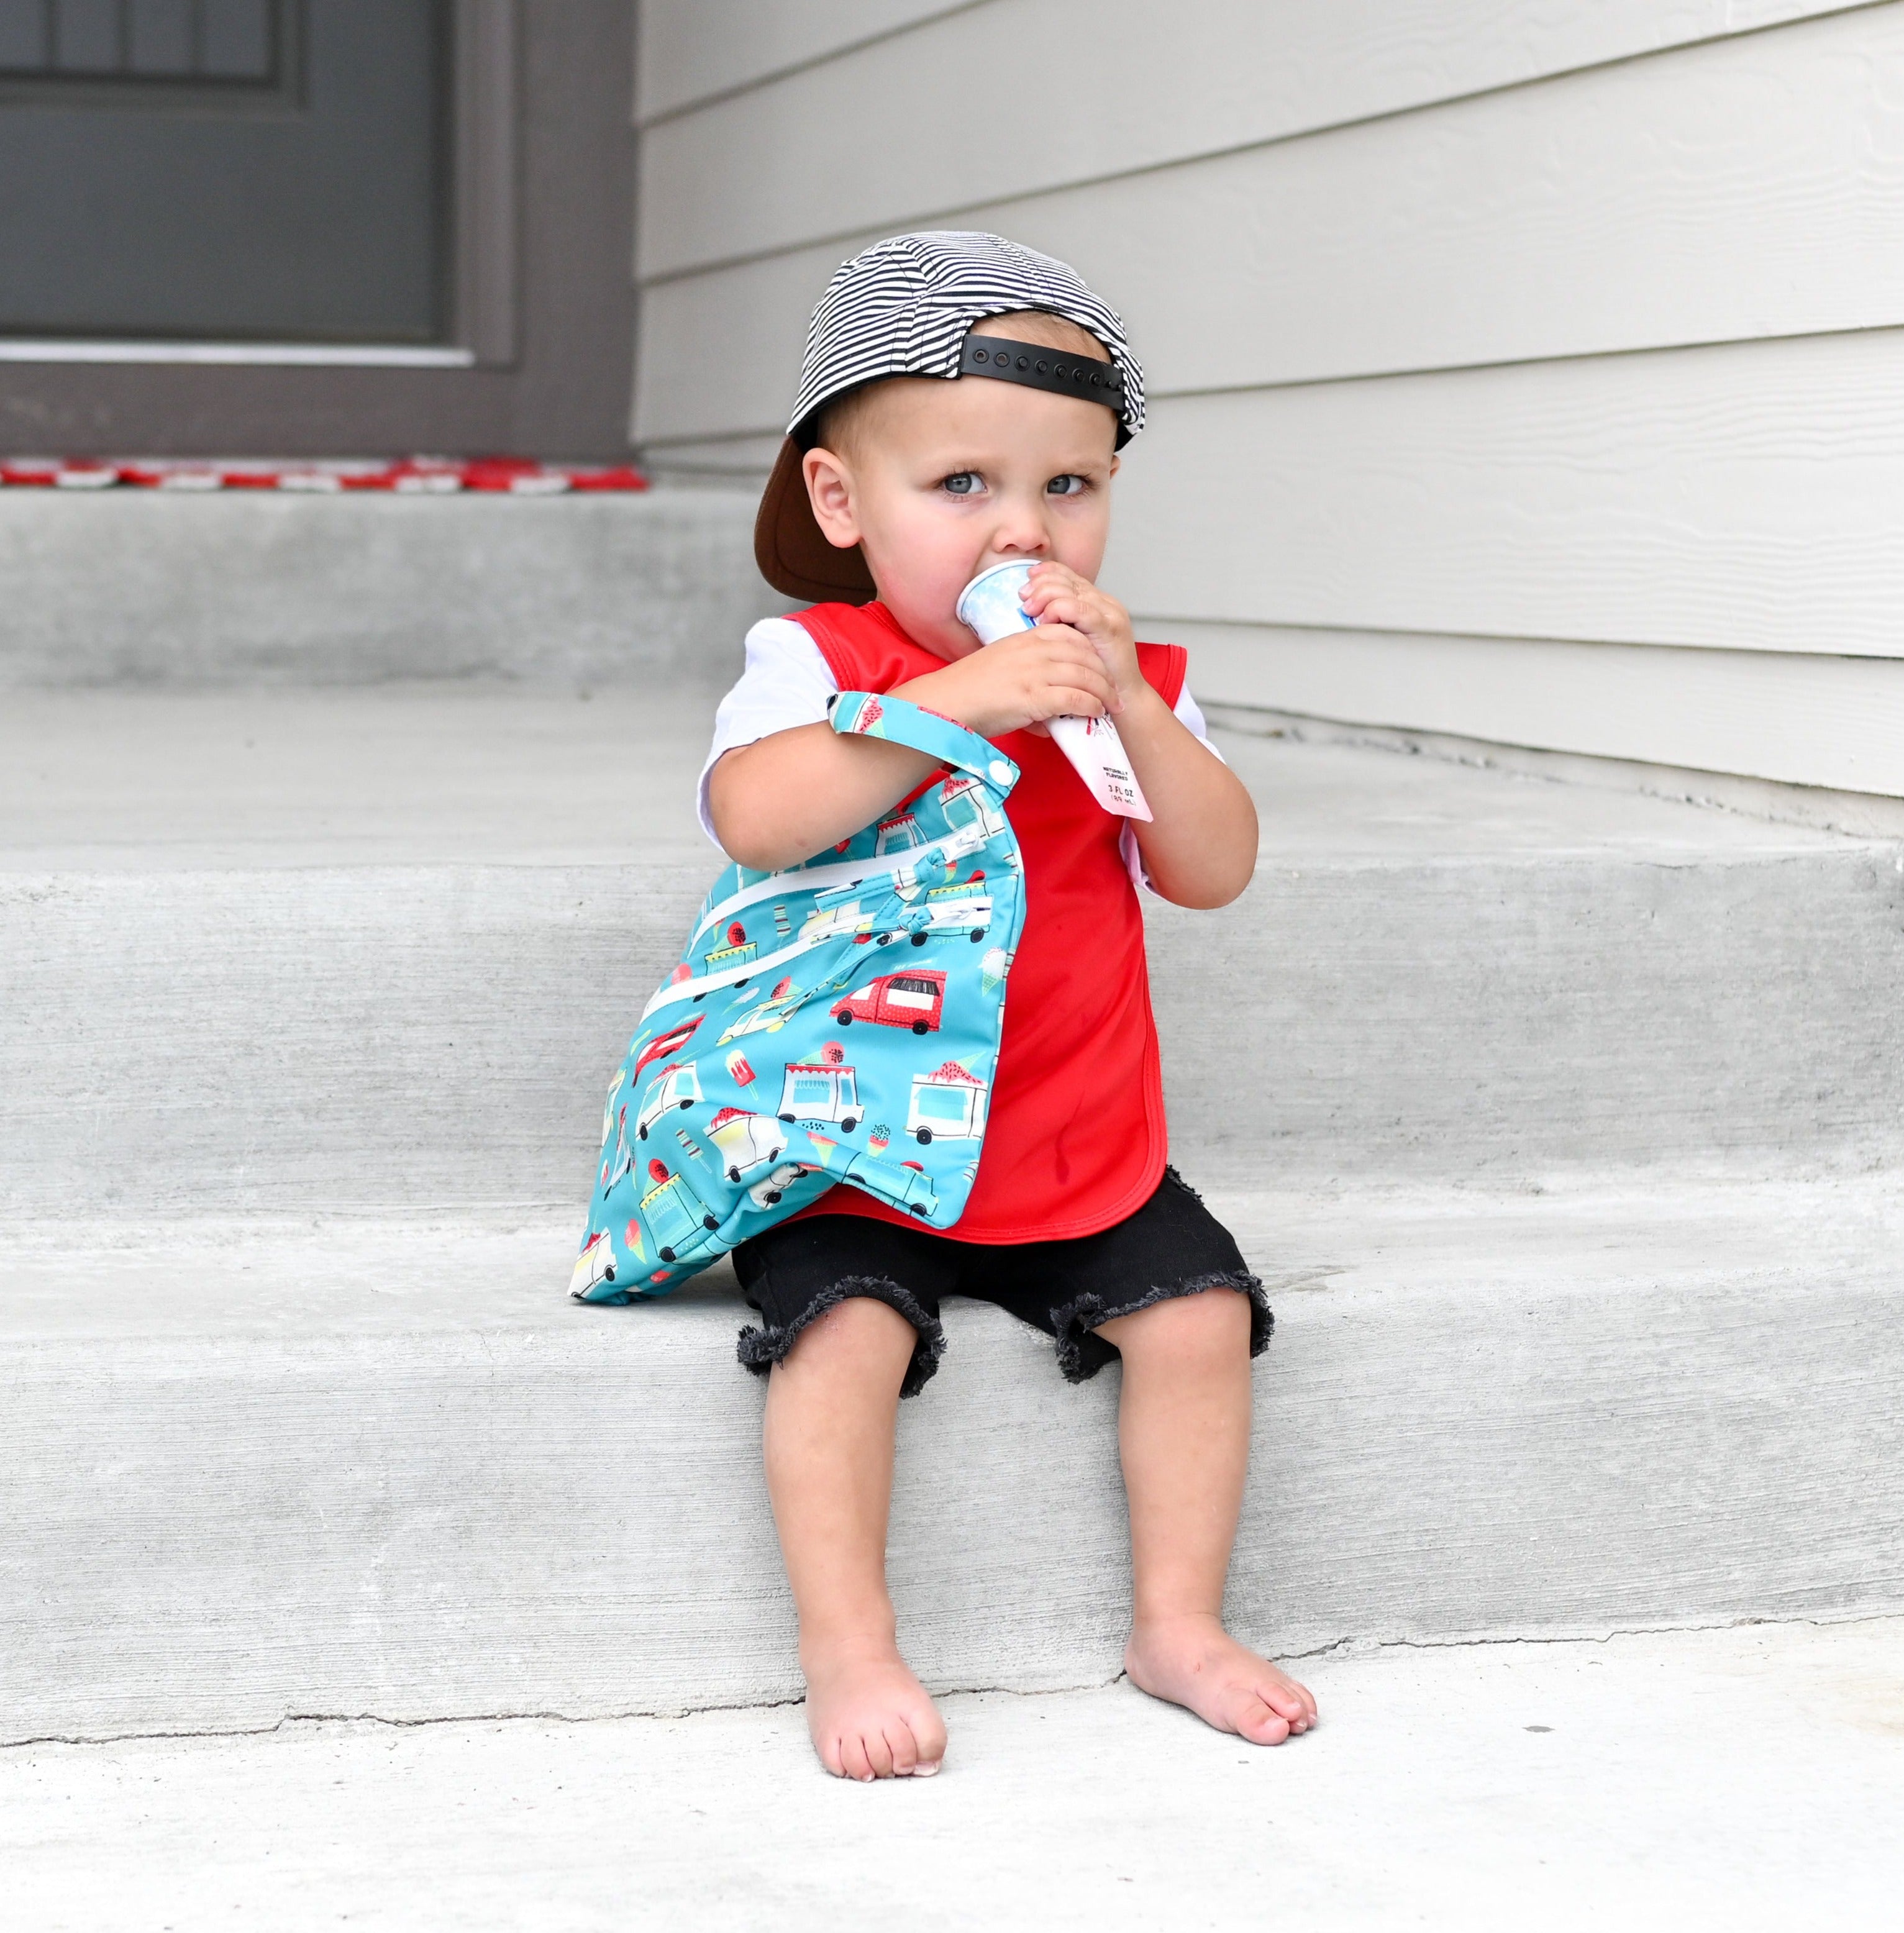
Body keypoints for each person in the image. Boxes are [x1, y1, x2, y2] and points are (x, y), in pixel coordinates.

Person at [703, 231, 1317, 1780]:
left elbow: (1213, 865)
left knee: (1199, 1313)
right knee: (836, 1331)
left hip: (1068, 1128)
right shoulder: (812, 656)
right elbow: (758, 815)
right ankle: (848, 1641)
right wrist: (945, 705)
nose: (1019, 531)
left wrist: (1126, 708)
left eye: (1068, 488)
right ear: (843, 504)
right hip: (858, 1123)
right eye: (960, 484)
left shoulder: (1123, 673)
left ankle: (1175, 1618)